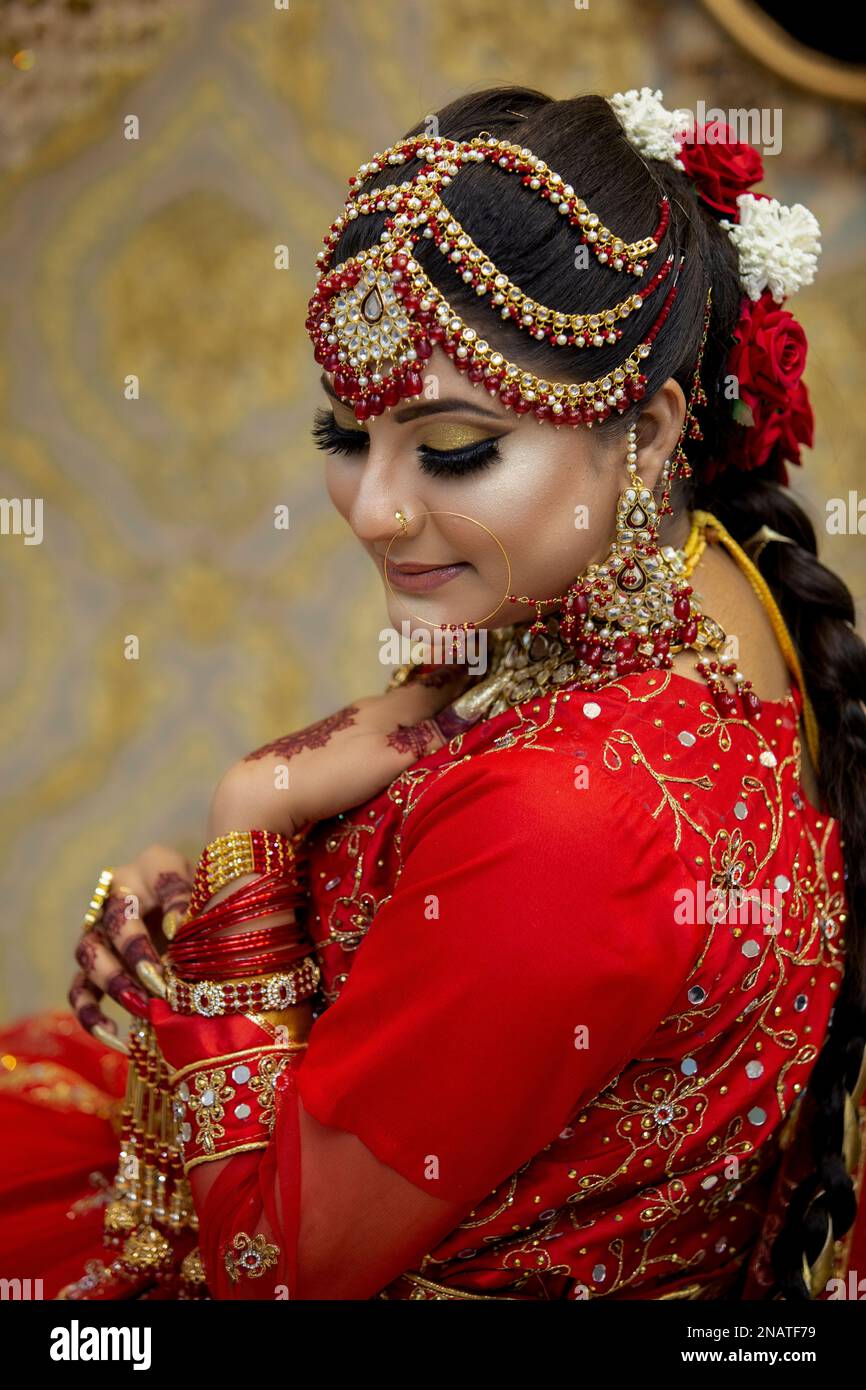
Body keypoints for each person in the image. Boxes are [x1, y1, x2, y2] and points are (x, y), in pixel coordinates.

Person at [1, 84, 864, 1303]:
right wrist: (227, 920)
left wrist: (250, 822)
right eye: (345, 435)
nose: (376, 508)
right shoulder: (707, 585)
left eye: (453, 450)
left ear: (651, 430)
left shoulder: (569, 815)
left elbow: (272, 1270)